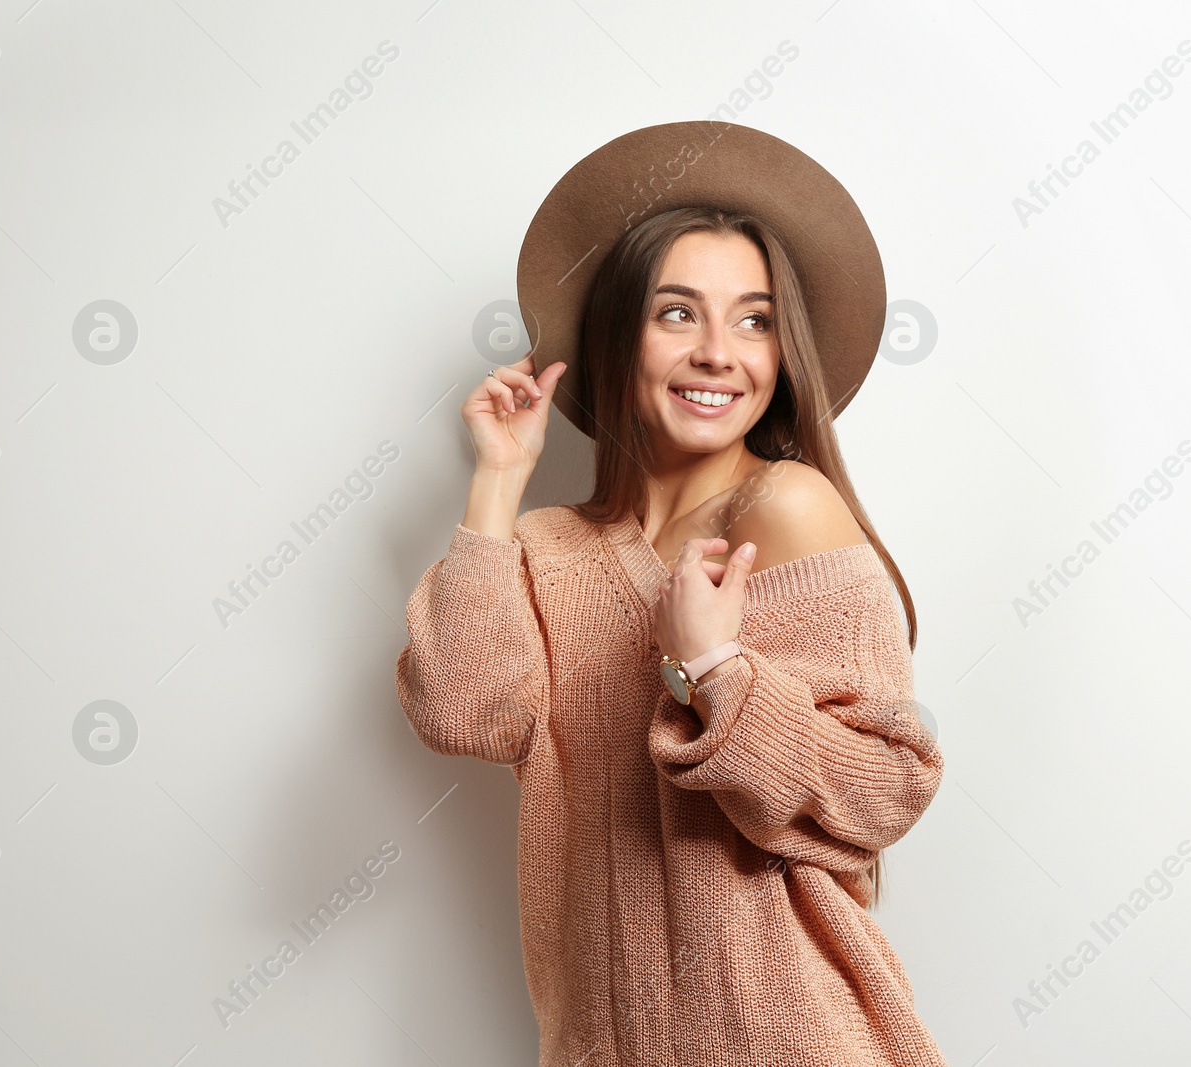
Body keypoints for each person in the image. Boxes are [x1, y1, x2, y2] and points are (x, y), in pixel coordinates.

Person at [396, 123, 947, 1066]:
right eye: (678, 313)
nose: (719, 353)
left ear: (782, 355)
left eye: (755, 319)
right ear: (621, 337)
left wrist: (716, 667)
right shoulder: (545, 549)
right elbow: (464, 711)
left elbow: (885, 789)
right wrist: (497, 480)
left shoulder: (788, 508)